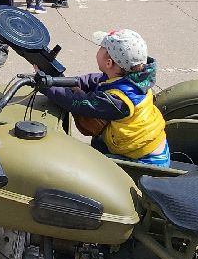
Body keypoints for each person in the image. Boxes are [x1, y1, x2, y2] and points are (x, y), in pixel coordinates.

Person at [45, 29, 170, 166]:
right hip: (148, 146)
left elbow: (79, 104)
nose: (98, 50)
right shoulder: (132, 77)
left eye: (101, 48)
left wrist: (46, 86)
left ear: (109, 63)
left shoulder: (119, 100)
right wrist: (67, 81)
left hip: (144, 161)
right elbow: (93, 80)